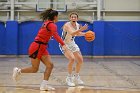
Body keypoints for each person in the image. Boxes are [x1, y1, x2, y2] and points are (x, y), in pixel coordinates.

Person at [12, 8, 68, 91]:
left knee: (50, 65)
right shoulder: (52, 25)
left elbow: (46, 34)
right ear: (55, 17)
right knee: (35, 69)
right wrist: (63, 44)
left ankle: (43, 85)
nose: (58, 18)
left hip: (42, 47)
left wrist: (47, 37)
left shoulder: (46, 23)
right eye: (57, 16)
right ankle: (18, 71)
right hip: (37, 47)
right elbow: (55, 35)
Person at [60, 12, 88, 86]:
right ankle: (69, 78)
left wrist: (86, 34)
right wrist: (81, 30)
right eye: (72, 17)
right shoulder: (67, 25)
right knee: (72, 59)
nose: (73, 18)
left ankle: (76, 76)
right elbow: (72, 33)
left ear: (77, 19)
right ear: (70, 18)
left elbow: (77, 34)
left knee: (80, 60)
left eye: (75, 17)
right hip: (64, 44)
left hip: (72, 43)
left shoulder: (78, 25)